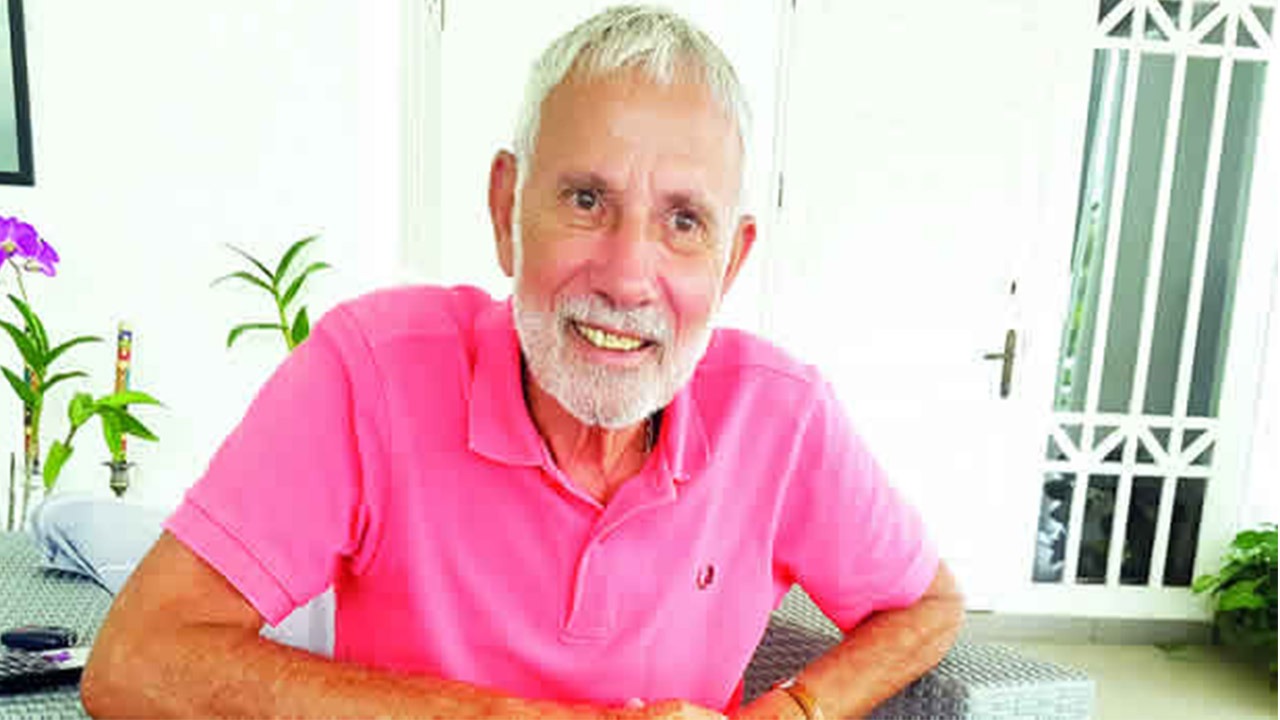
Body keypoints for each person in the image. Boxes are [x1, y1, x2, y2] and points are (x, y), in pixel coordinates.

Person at [81, 5, 964, 718]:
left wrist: (797, 710)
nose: (627, 277)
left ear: (731, 263)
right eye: (586, 199)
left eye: (683, 222)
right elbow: (135, 662)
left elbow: (927, 605)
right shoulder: (369, 371)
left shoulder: (783, 416)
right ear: (506, 209)